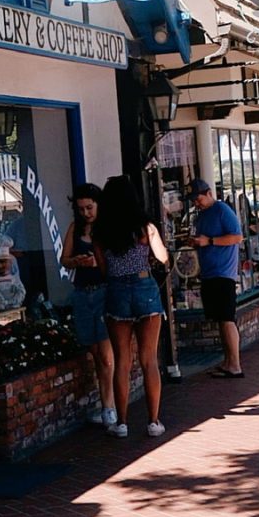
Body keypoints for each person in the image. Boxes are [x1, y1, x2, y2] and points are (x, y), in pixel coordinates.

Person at [93, 175, 169, 439]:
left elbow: (103, 269)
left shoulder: (101, 232)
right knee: (149, 360)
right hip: (144, 286)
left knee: (122, 361)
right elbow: (163, 257)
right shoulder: (145, 227)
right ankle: (153, 421)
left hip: (116, 291)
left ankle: (122, 423)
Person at [61, 183, 116, 428]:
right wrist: (76, 261)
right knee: (94, 352)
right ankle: (105, 401)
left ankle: (109, 406)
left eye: (89, 207)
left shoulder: (107, 229)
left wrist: (98, 263)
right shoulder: (75, 228)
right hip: (83, 293)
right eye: (81, 208)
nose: (86, 213)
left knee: (105, 354)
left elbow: (116, 261)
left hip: (104, 292)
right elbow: (64, 259)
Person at [188, 178, 244, 378]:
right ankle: (228, 362)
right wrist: (196, 241)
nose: (197, 203)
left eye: (199, 198)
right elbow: (201, 239)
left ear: (209, 193)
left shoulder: (222, 210)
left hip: (223, 272)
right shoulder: (201, 216)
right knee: (220, 319)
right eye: (194, 200)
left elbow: (237, 237)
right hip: (209, 272)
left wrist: (209, 240)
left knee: (227, 318)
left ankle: (235, 365)